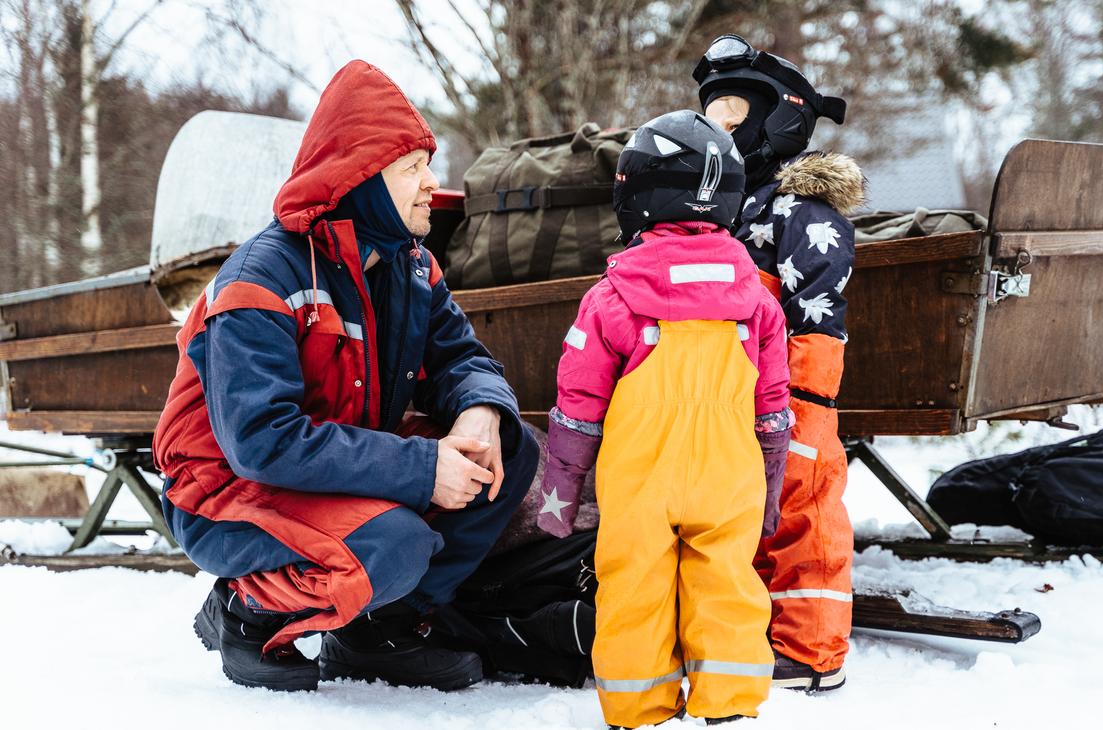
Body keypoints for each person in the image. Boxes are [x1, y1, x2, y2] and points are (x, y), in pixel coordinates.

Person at [152, 60, 538, 693]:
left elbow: (464, 357)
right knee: (395, 542)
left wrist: (479, 412)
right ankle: (247, 612)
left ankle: (381, 630)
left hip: (323, 469)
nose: (429, 185)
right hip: (224, 493)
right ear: (359, 179)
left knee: (506, 450)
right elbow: (262, 443)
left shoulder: (409, 266)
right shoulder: (261, 280)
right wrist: (420, 468)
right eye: (411, 169)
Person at [536, 110, 793, 728]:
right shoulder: (757, 301)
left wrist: (558, 498)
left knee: (634, 591)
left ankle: (638, 710)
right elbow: (774, 408)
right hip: (727, 478)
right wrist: (769, 491)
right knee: (728, 586)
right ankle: (728, 708)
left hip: (640, 486)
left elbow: (577, 407)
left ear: (638, 196)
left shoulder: (612, 297)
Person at [694, 34, 865, 691]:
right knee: (742, 512)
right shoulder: (720, 209)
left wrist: (804, 396)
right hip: (727, 391)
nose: (721, 126)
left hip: (795, 388)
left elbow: (816, 310)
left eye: (735, 111)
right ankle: (748, 622)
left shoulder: (801, 211)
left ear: (783, 119)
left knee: (803, 510)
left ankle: (813, 649)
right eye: (713, 113)